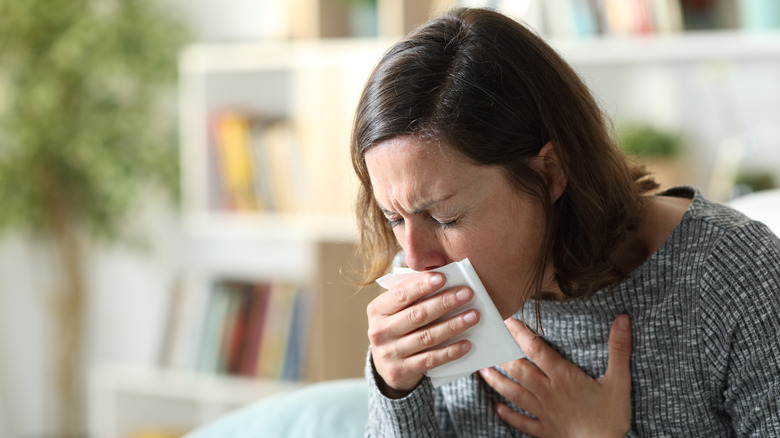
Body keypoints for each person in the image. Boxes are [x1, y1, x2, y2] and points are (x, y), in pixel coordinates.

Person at [350, 7, 780, 437]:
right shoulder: (425, 298)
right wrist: (395, 391)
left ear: (551, 172)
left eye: (446, 217)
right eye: (394, 218)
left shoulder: (733, 275)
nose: (417, 261)